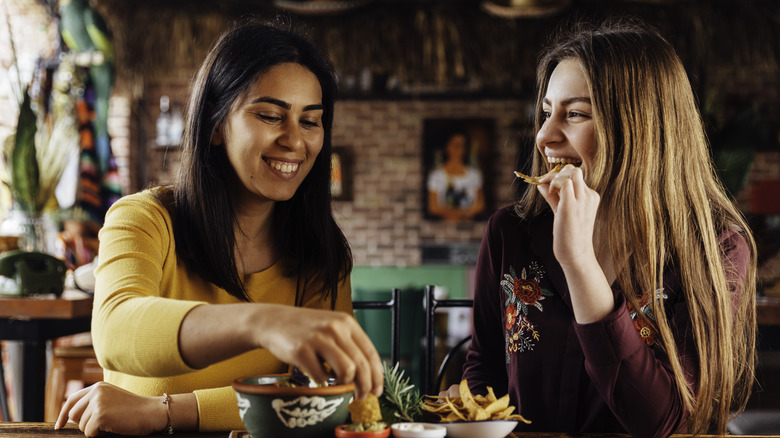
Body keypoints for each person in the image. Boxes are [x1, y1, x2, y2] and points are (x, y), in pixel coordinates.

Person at [54, 19, 384, 437]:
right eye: (269, 115)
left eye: (310, 121)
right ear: (214, 124)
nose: (294, 141)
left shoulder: (320, 252)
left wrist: (166, 412)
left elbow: (322, 399)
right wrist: (263, 323)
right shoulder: (144, 218)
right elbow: (116, 331)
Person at [440, 18, 757, 437]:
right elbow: (484, 370)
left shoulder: (716, 250)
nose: (544, 136)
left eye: (574, 114)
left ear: (641, 129)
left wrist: (579, 263)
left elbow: (662, 424)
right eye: (547, 112)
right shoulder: (510, 233)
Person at [426, 131, 486, 221]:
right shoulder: (436, 175)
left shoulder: (474, 175)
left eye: (462, 146)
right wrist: (455, 214)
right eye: (456, 145)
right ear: (447, 147)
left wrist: (461, 214)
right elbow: (433, 206)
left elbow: (480, 204)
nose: (459, 149)